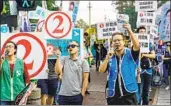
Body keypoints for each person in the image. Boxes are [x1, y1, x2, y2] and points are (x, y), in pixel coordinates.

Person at [99, 23, 140, 105]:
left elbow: (137, 45)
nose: (117, 42)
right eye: (115, 40)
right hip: (113, 95)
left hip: (129, 94)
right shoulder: (110, 55)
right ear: (112, 43)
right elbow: (101, 70)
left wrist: (130, 31)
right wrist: (107, 58)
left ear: (124, 42)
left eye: (119, 40)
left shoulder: (131, 53)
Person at [55, 40, 90, 105]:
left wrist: (82, 93)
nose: (70, 48)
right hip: (63, 95)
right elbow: (57, 71)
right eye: (68, 46)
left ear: (78, 48)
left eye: (73, 46)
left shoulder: (83, 62)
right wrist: (58, 57)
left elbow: (85, 79)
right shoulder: (63, 59)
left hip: (77, 95)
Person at [137, 26, 156, 105]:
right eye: (141, 31)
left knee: (147, 91)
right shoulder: (134, 43)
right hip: (139, 70)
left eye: (144, 31)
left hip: (148, 70)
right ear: (138, 33)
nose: (142, 33)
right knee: (139, 91)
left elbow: (153, 56)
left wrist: (144, 54)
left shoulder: (149, 44)